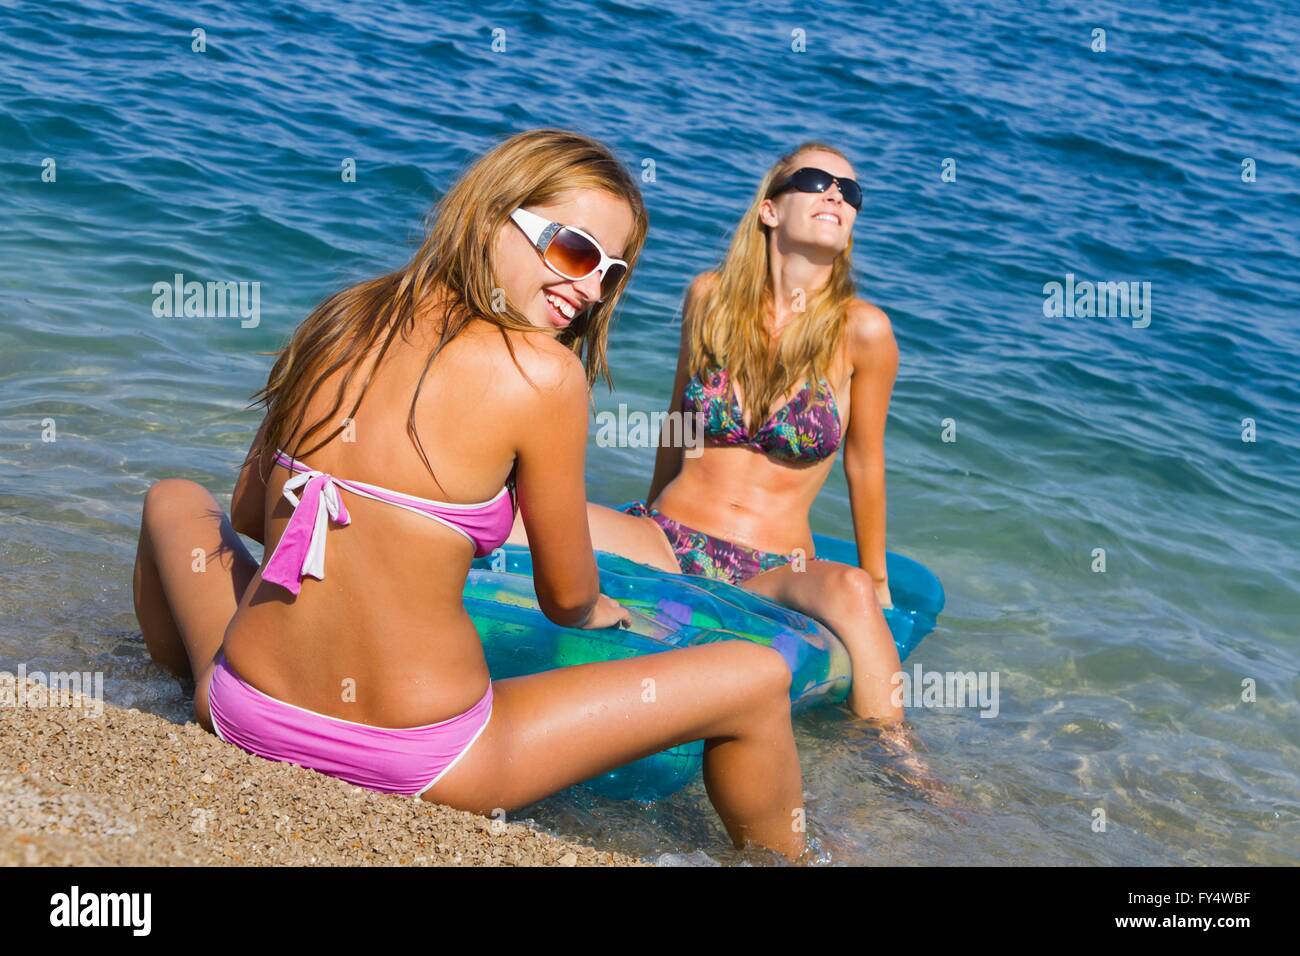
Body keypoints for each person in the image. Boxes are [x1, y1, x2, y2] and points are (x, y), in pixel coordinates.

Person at [132, 129, 806, 860]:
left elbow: (243, 515)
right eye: (575, 252)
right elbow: (565, 597)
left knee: (172, 499)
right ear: (493, 218)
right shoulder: (544, 376)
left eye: (609, 274)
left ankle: (165, 701)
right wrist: (605, 612)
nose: (587, 290)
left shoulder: (341, 317)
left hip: (242, 711)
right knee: (756, 678)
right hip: (423, 758)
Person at [520, 142, 904, 722]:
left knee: (849, 590)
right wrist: (643, 519)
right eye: (817, 181)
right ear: (770, 209)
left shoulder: (863, 331)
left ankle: (900, 766)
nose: (836, 195)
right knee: (515, 516)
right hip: (669, 537)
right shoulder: (709, 298)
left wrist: (877, 583)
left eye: (850, 192)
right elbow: (679, 424)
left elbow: (865, 462)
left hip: (774, 567)